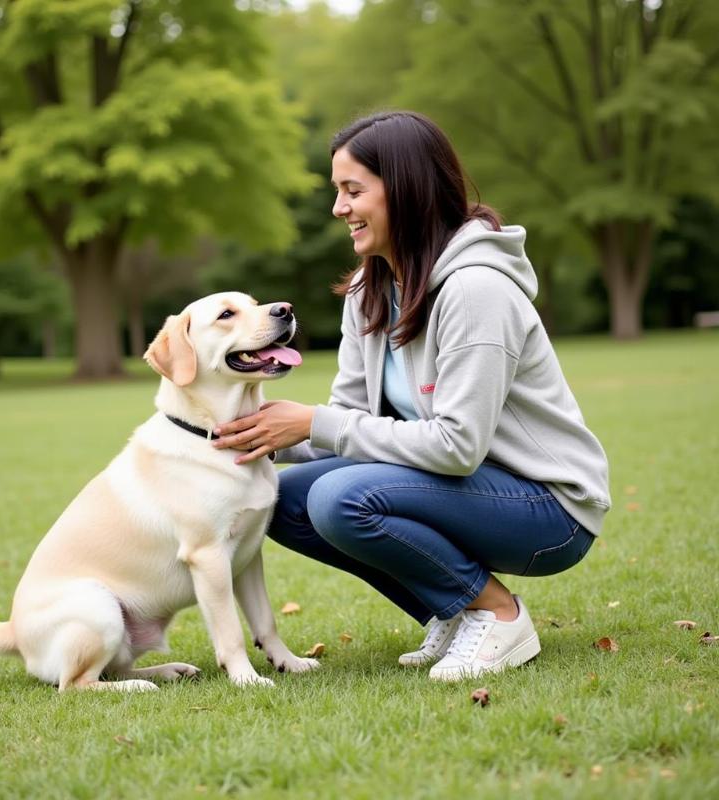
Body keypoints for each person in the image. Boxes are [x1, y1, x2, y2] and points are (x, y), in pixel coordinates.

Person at [212, 110, 611, 682]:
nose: (338, 208)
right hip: (457, 489)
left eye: (353, 191)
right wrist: (256, 440)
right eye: (337, 191)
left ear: (406, 190)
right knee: (283, 497)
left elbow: (457, 447)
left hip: (549, 509)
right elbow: (348, 419)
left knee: (340, 499)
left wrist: (311, 423)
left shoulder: (478, 289)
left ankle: (497, 614)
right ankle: (454, 614)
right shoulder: (368, 288)